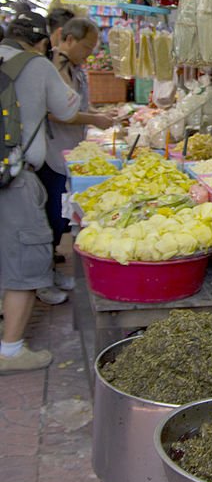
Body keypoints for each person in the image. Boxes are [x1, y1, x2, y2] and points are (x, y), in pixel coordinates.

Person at [0, 11, 80, 374]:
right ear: (45, 40)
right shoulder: (38, 65)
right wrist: (56, 67)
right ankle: (11, 350)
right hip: (14, 176)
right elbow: (68, 107)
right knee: (25, 259)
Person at [36, 17, 116, 303]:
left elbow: (78, 105)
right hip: (52, 152)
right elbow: (54, 112)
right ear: (68, 39)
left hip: (71, 153)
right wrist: (96, 119)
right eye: (86, 46)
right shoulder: (54, 67)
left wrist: (100, 114)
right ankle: (41, 281)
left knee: (59, 218)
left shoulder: (76, 69)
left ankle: (50, 272)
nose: (90, 53)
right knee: (51, 218)